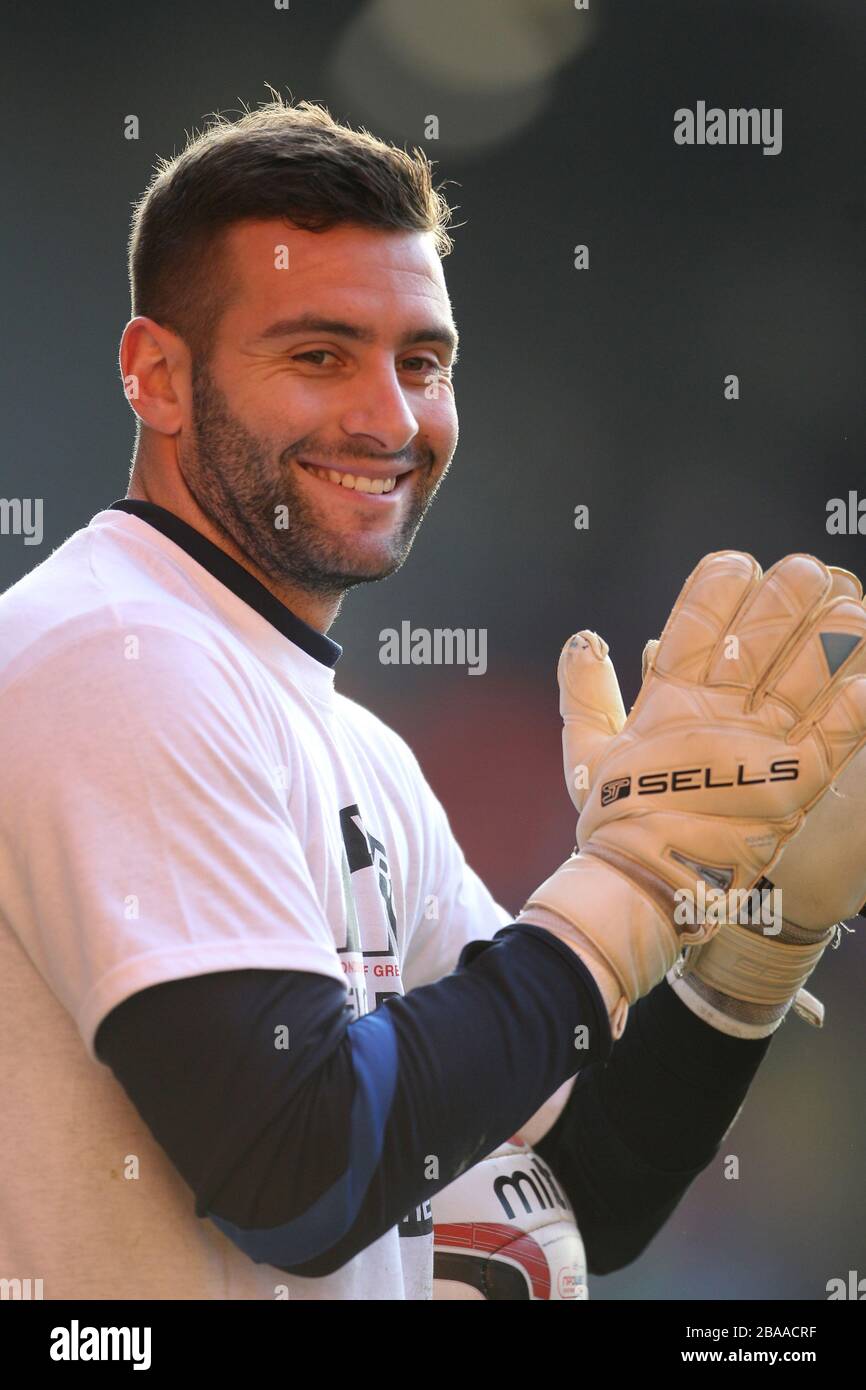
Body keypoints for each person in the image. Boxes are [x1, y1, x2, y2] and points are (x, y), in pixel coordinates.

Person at [1, 96, 863, 1301]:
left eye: (422, 362)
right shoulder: (112, 658)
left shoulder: (347, 741)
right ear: (156, 375)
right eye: (317, 355)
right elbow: (297, 1177)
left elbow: (575, 1182)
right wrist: (624, 886)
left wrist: (747, 955)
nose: (389, 418)